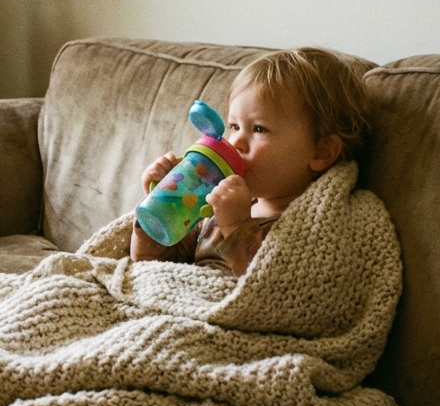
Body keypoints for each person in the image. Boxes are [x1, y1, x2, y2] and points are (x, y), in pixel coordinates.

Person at [130, 47, 374, 276]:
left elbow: (275, 293)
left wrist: (236, 226)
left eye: (259, 128)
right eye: (234, 126)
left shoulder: (318, 226)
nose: (235, 142)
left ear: (321, 152)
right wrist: (159, 206)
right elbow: (152, 266)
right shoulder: (213, 203)